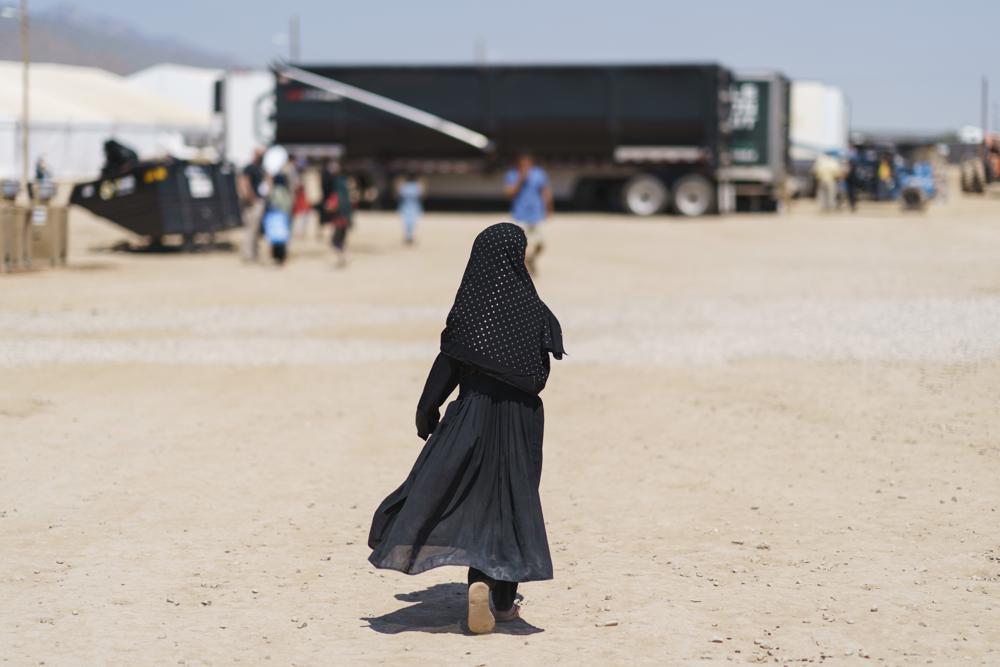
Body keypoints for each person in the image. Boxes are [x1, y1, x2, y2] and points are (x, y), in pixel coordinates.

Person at [368, 223, 565, 635]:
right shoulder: (535, 311)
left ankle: (476, 581)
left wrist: (427, 410)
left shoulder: (472, 309)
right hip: (521, 423)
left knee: (462, 495)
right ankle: (503, 599)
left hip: (472, 414)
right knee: (511, 501)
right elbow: (539, 373)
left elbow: (447, 364)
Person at [504, 153, 552, 274]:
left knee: (541, 244)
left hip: (536, 213)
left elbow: (545, 191)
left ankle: (530, 259)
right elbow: (509, 194)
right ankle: (521, 267)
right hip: (520, 214)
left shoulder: (539, 174)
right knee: (520, 244)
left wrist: (548, 208)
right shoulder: (512, 175)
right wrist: (520, 179)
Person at [319, 160, 353, 267]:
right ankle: (341, 257)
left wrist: (329, 206)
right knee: (339, 239)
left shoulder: (338, 185)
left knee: (336, 240)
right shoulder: (343, 183)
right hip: (344, 217)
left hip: (340, 217)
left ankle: (341, 257)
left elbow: (334, 203)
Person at [240, 148, 267, 262]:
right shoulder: (249, 168)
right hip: (252, 202)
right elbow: (244, 183)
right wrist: (251, 198)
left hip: (258, 200)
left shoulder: (261, 168)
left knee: (255, 230)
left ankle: (254, 253)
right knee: (250, 229)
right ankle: (248, 255)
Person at [263, 173, 293, 265]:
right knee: (281, 240)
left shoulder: (275, 191)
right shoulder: (285, 191)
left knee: (276, 240)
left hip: (276, 217)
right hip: (282, 217)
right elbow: (288, 204)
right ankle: (280, 257)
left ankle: (276, 257)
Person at [397, 174, 423, 245]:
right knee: (410, 223)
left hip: (407, 206)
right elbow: (420, 195)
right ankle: (409, 237)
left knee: (408, 223)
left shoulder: (404, 186)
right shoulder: (416, 187)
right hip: (412, 206)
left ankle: (409, 237)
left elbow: (399, 194)